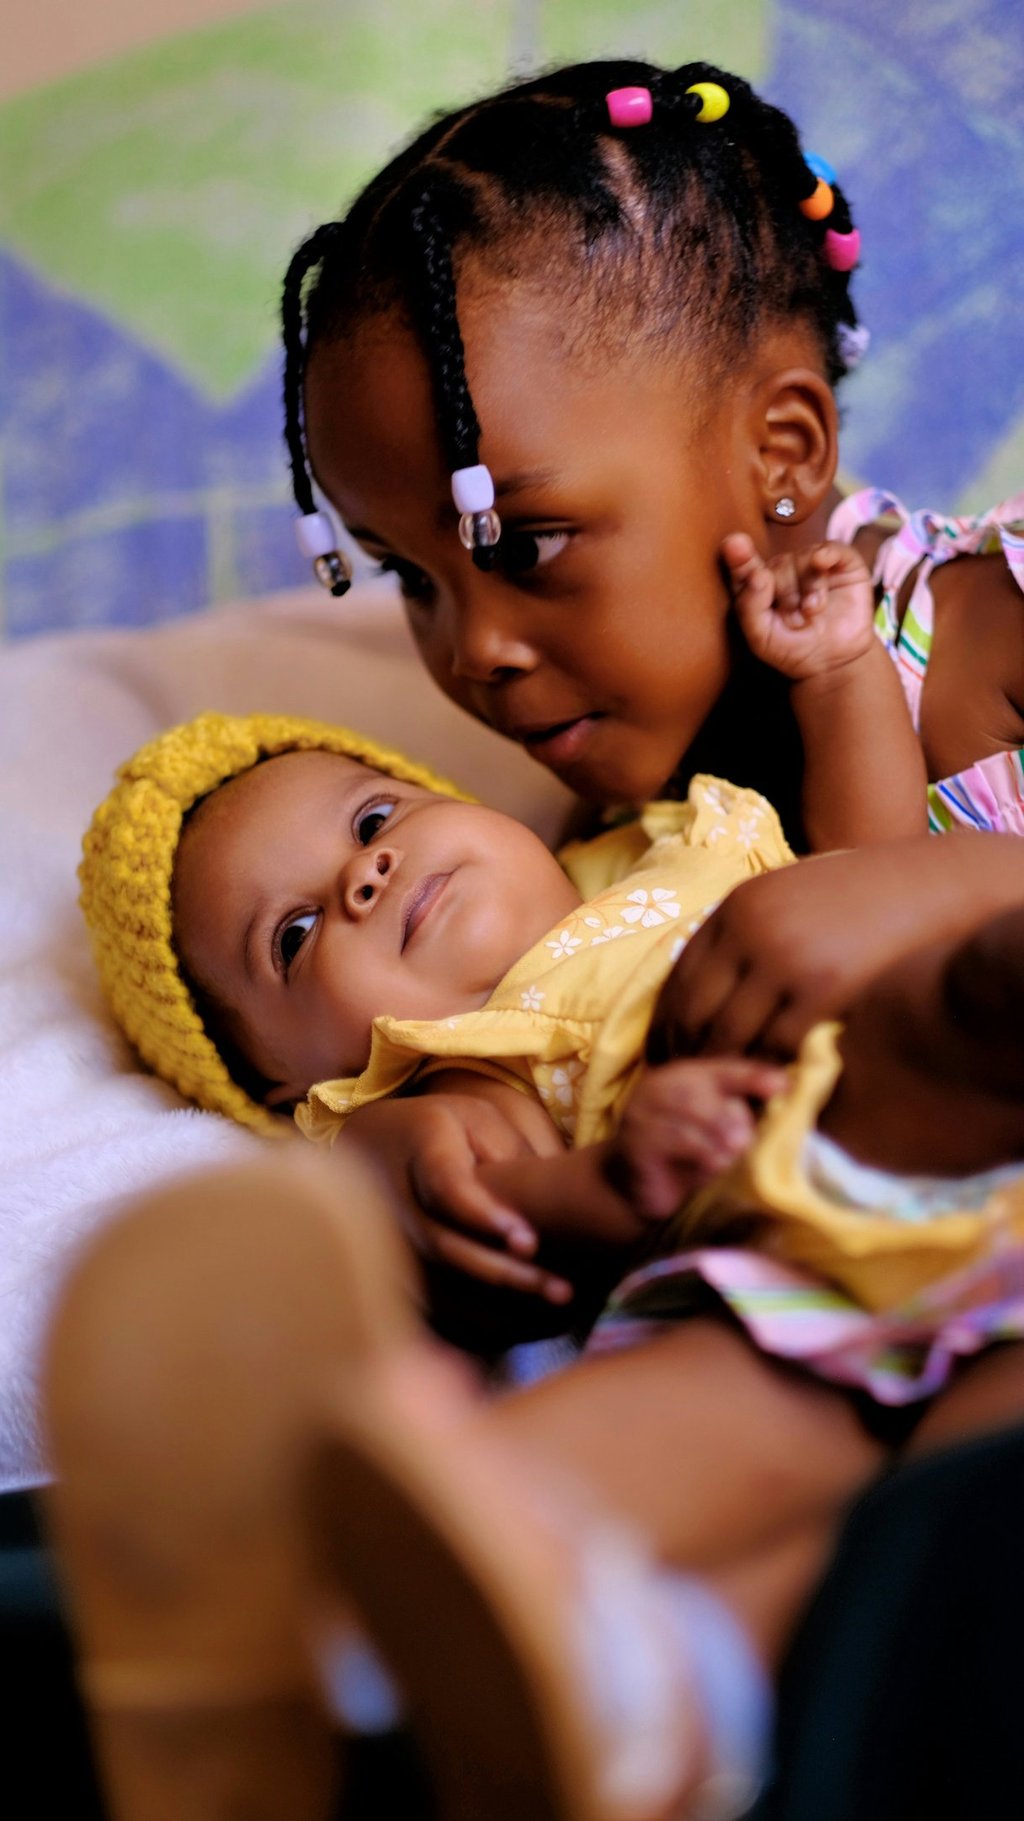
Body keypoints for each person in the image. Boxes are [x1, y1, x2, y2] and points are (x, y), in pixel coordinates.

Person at [40, 900, 1024, 1821]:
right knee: (767, 1398)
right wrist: (555, 1173)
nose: (364, 878)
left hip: (934, 1291)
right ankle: (327, 1615)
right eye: (292, 933)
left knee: (927, 1506)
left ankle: (623, 1704)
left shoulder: (689, 842)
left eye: (377, 819)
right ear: (276, 1079)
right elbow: (477, 1203)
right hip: (826, 1257)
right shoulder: (431, 1075)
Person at [275, 53, 1024, 1245]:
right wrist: (420, 1164)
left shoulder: (989, 627)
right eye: (410, 577)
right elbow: (556, 1075)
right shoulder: (601, 852)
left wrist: (931, 887)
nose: (472, 652)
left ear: (780, 454)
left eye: (525, 544)